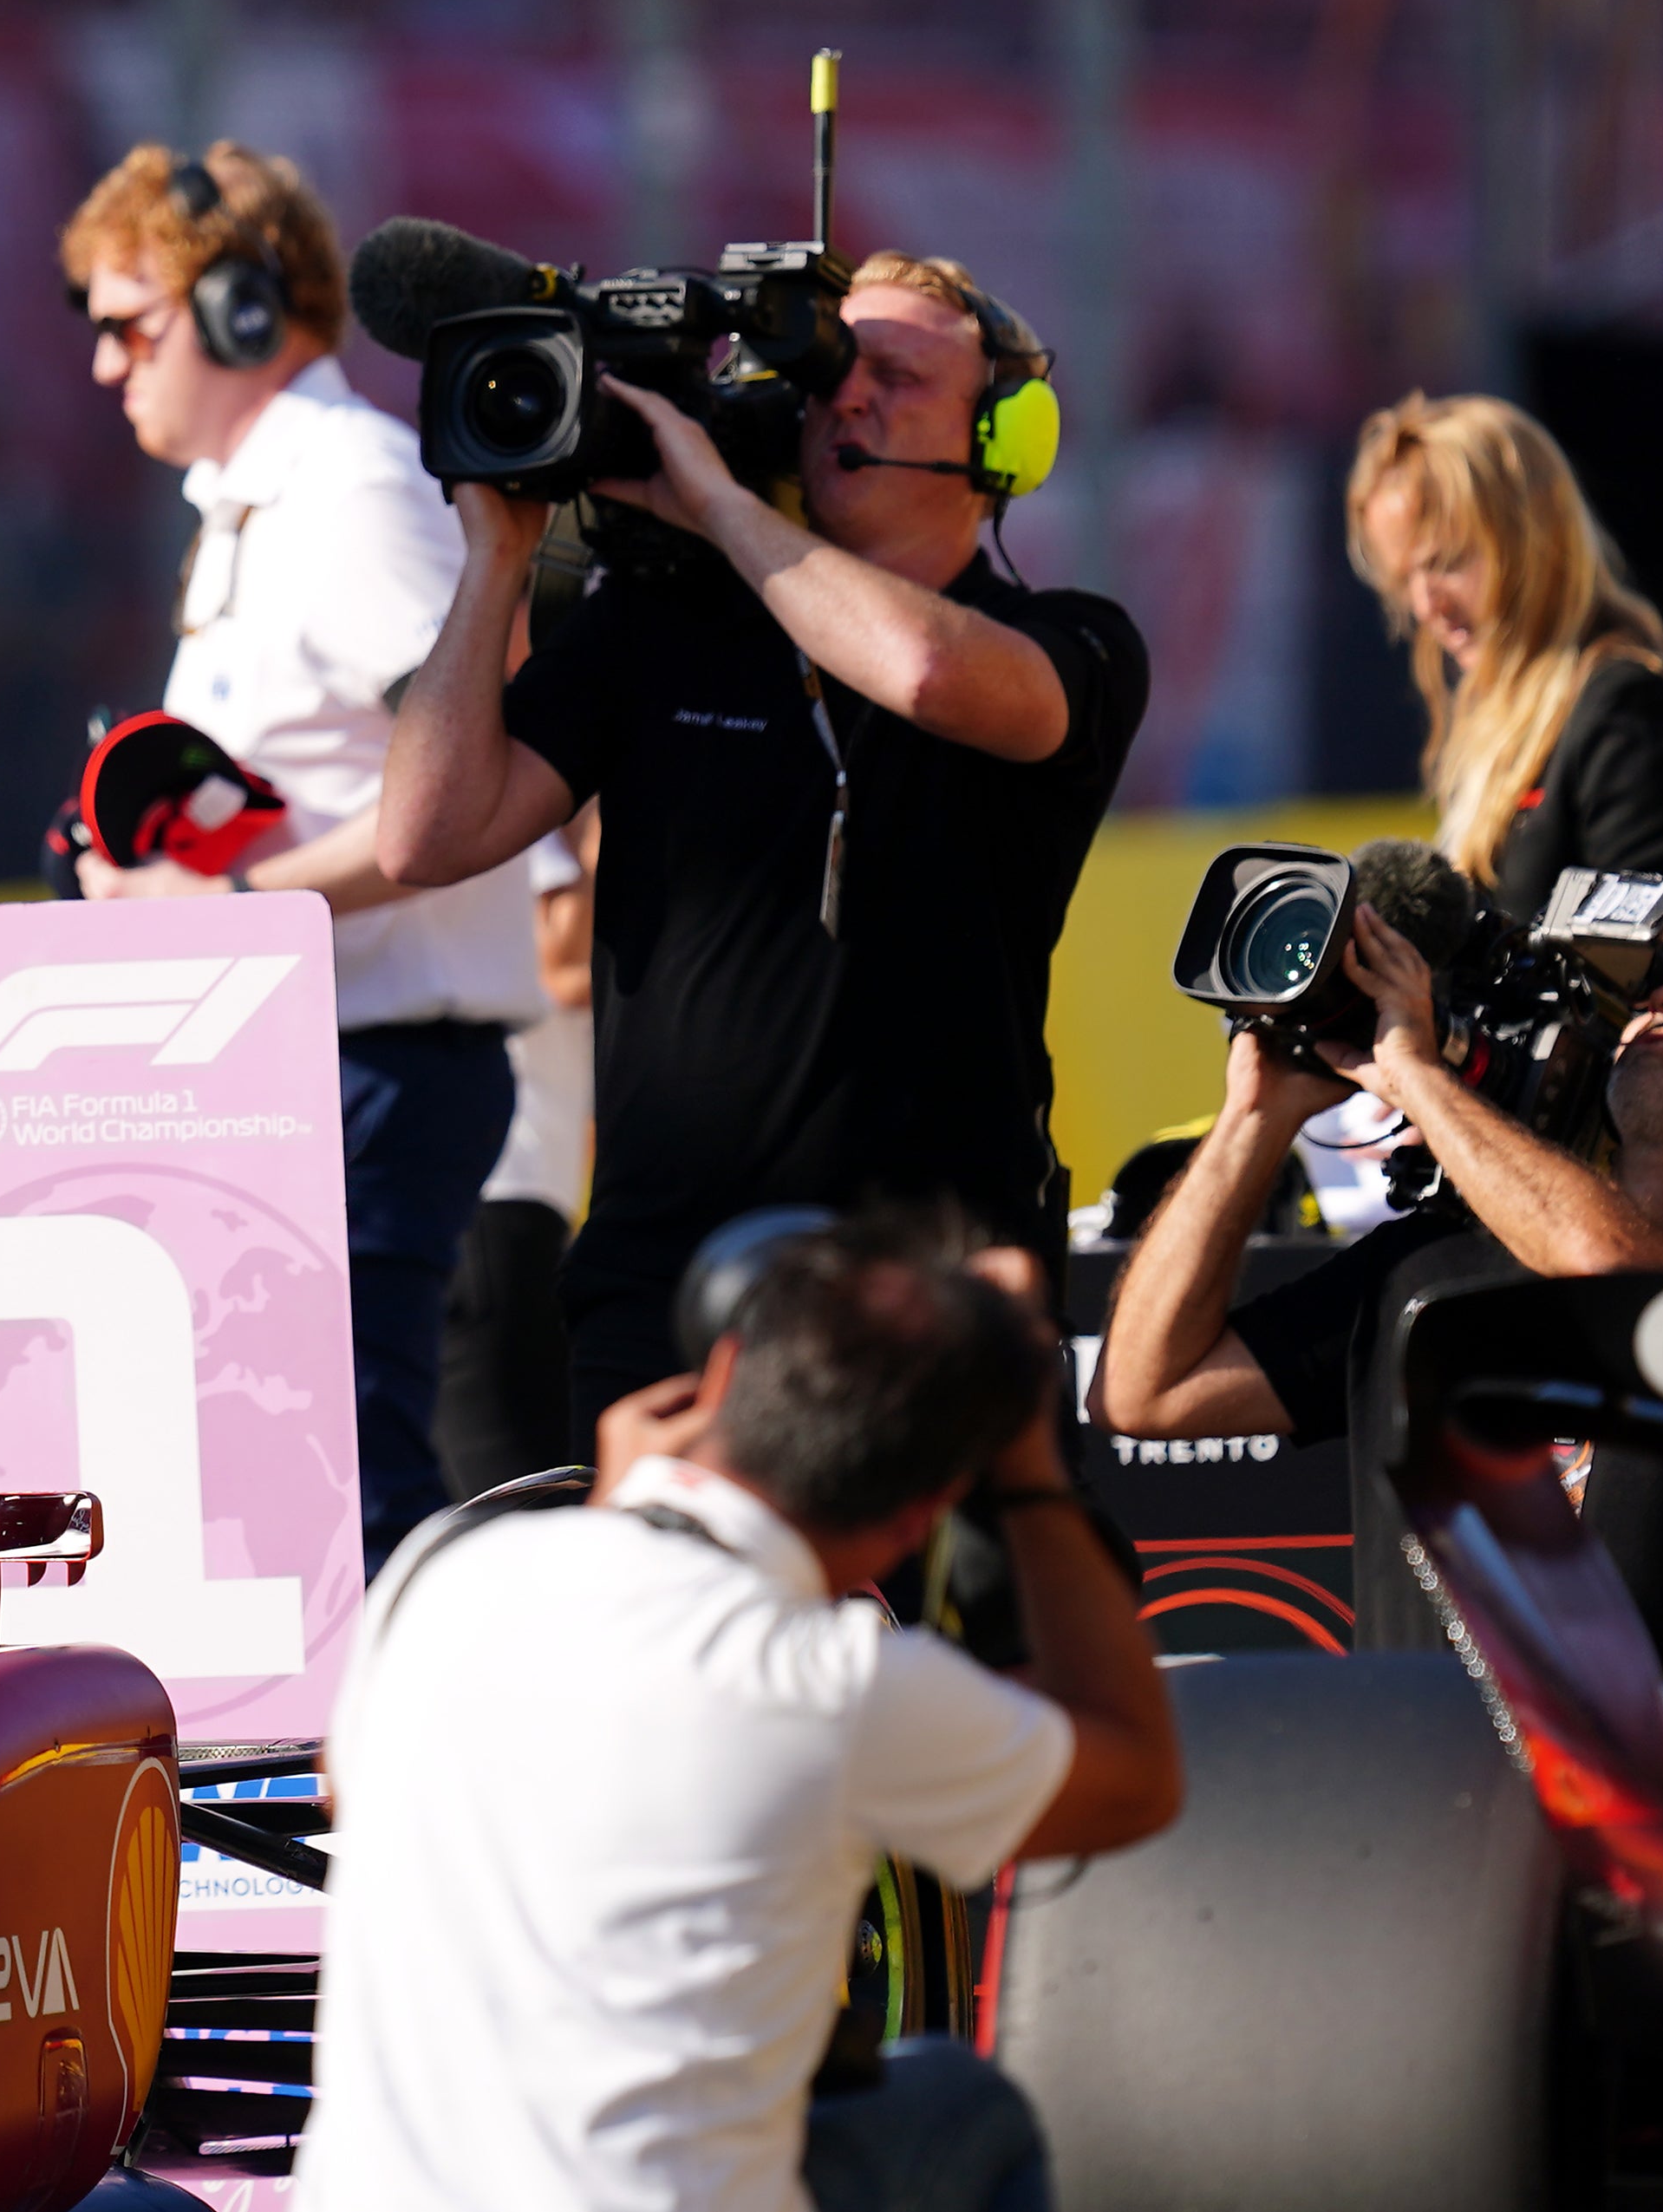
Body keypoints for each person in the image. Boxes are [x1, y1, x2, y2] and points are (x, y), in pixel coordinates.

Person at [374, 256, 1151, 1426]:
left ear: (1004, 438)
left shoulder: (1067, 640)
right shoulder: (656, 626)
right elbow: (423, 835)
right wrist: (496, 557)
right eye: (827, 371)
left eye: (891, 375)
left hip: (935, 1290)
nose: (843, 399)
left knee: (965, 1614)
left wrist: (720, 509)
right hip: (664, 1293)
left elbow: (924, 671)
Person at [302, 1209, 1184, 2212]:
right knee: (955, 2106)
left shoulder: (437, 1576)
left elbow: (352, 1790)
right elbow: (1136, 1775)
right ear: (915, 1518)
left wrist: (615, 1518)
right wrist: (1026, 1465)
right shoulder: (838, 1685)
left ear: (717, 1376)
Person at [1093, 899, 1663, 1865]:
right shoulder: (1442, 1260)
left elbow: (1606, 1273)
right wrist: (1256, 1115)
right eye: (1658, 980)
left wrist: (1417, 1079)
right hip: (1432, 1865)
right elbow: (1146, 1389)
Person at [55, 145, 553, 1559]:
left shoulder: (346, 488)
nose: (104, 365)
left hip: (383, 1065)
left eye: (126, 323)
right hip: (330, 1066)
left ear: (239, 313)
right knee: (315, 1500)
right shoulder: (271, 494)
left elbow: (472, 778)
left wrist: (215, 905)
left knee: (365, 1496)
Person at [1347, 390, 1663, 1214]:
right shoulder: (1524, 721)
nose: (1424, 604)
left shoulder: (1626, 710)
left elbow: (1628, 988)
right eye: (1404, 575)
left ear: (1532, 540)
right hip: (1620, 1202)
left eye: (1445, 559)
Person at [439, 811, 596, 1498]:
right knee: (510, 1495)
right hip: (497, 1192)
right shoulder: (517, 814)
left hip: (514, 1195)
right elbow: (564, 963)